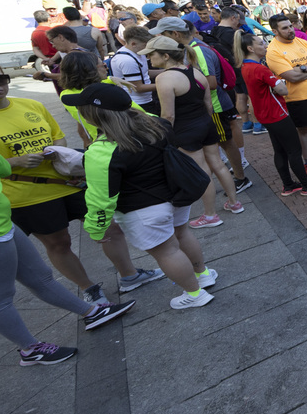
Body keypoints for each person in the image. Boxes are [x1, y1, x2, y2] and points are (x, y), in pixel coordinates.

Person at [0, 67, 161, 303]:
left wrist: (56, 151)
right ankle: (89, 289)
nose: (0, 86)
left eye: (2, 79)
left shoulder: (30, 105)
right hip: (28, 193)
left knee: (108, 227)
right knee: (59, 242)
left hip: (68, 181)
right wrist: (15, 162)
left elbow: (58, 135)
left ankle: (130, 275)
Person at [68, 84, 219, 310]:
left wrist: (96, 229)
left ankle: (195, 293)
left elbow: (100, 198)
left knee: (167, 251)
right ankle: (203, 274)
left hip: (143, 210)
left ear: (94, 114)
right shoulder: (158, 124)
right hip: (175, 195)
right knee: (183, 233)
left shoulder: (101, 151)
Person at [0, 149, 135, 366]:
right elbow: (4, 168)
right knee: (2, 298)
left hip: (4, 223)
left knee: (41, 277)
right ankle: (30, 349)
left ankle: (92, 312)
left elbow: (3, 168)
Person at [140, 35, 244, 227]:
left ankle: (211, 215)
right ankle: (234, 202)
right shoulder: (195, 72)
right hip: (205, 124)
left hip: (186, 130)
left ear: (164, 56)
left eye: (151, 54)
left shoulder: (165, 78)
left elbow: (168, 115)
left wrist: (165, 137)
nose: (149, 59)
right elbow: (208, 105)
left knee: (202, 170)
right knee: (218, 163)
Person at [234, 32, 307, 195]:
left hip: (265, 114)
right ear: (250, 48)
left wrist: (295, 75)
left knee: (280, 150)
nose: (265, 46)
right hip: (277, 113)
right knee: (294, 150)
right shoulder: (260, 69)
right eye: (260, 43)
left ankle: (288, 184)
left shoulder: (245, 66)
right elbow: (283, 89)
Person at [265, 14, 307, 178]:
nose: (290, 30)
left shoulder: (301, 41)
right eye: (285, 28)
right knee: (304, 130)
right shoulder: (273, 51)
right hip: (297, 98)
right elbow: (291, 77)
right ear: (275, 31)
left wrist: (302, 69)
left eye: (291, 26)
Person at [108, 25, 157, 114]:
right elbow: (138, 87)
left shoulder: (139, 52)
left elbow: (144, 73)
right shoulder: (127, 60)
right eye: (146, 44)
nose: (149, 48)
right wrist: (165, 85)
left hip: (146, 99)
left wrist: (167, 72)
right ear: (133, 44)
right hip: (138, 103)